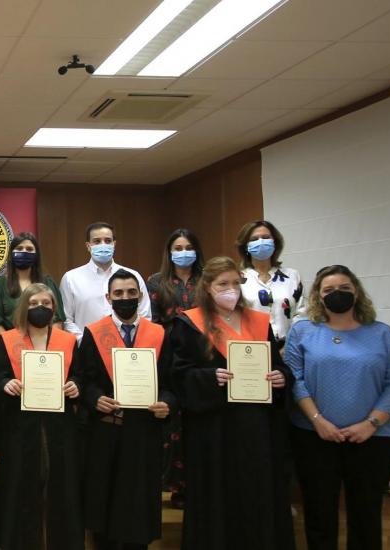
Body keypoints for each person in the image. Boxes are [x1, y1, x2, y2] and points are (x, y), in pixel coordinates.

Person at [170, 256, 295, 550]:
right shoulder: (189, 324)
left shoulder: (259, 322)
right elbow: (178, 374)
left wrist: (281, 377)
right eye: (222, 284)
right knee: (218, 493)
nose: (231, 290)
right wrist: (209, 377)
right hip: (213, 428)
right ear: (208, 287)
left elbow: (279, 366)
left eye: (235, 283)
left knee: (257, 489)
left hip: (256, 427)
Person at [285, 265, 390, 550]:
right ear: (317, 295)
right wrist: (318, 420)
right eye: (328, 290)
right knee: (318, 512)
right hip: (313, 436)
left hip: (373, 439)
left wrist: (370, 424)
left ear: (357, 293)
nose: (336, 294)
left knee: (366, 514)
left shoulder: (382, 334)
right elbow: (296, 380)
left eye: (344, 289)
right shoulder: (303, 331)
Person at [80, 269, 176, 550]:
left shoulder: (157, 334)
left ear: (140, 296)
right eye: (119, 294)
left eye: (131, 293)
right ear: (108, 298)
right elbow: (83, 380)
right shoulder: (94, 333)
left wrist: (167, 404)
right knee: (104, 510)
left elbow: (171, 382)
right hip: (106, 431)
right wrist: (94, 398)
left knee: (138, 509)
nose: (125, 298)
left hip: (143, 433)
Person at [0, 283, 83, 550]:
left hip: (60, 427)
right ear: (23, 307)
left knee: (61, 488)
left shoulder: (67, 341)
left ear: (54, 308)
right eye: (33, 304)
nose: (40, 308)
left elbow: (80, 375)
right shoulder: (8, 340)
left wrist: (76, 384)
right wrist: (4, 384)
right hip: (20, 427)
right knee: (19, 488)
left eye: (45, 303)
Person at [145, 228, 204, 508]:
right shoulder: (156, 282)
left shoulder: (206, 281)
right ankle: (174, 484)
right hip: (167, 354)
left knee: (198, 417)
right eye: (177, 247)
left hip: (200, 356)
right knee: (172, 420)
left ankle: (199, 483)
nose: (183, 252)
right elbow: (152, 321)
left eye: (188, 246)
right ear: (169, 252)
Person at [60, 222, 150, 342]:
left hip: (128, 349)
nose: (103, 245)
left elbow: (145, 316)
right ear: (88, 246)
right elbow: (66, 320)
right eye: (97, 241)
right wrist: (87, 343)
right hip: (86, 350)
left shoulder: (133, 276)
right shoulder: (71, 278)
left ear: (114, 244)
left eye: (108, 241)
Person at [0, 232, 64, 338]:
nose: (24, 252)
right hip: (11, 346)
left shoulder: (48, 282)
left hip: (44, 347)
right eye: (19, 248)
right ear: (11, 253)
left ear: (36, 255)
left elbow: (57, 320)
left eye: (29, 249)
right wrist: (12, 345)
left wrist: (48, 345)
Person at [236, 220, 305, 344]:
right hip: (250, 348)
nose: (261, 241)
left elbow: (302, 314)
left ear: (275, 243)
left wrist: (289, 345)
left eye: (266, 237)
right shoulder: (237, 279)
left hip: (288, 347)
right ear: (246, 246)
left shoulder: (292, 276)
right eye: (254, 239)